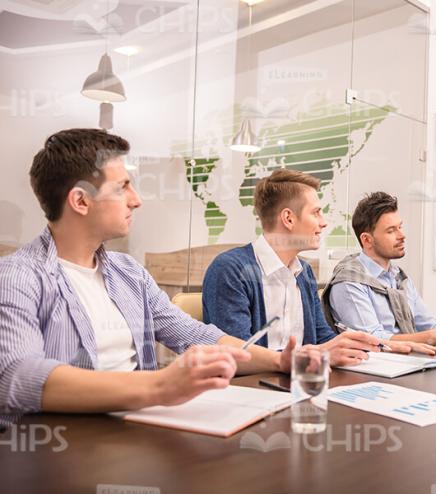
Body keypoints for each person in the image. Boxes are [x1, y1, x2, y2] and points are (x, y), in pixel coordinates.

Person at [0, 129, 294, 426]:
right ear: (81, 201)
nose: (136, 200)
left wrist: (280, 361)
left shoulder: (128, 272)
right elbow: (17, 375)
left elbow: (194, 335)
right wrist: (160, 386)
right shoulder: (17, 277)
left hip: (137, 429)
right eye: (122, 187)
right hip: (61, 446)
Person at [203, 170, 436, 363]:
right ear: (288, 218)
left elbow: (323, 338)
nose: (324, 222)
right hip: (253, 396)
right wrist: (316, 354)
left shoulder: (303, 272)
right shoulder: (230, 270)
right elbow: (237, 357)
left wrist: (385, 345)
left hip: (302, 385)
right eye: (316, 213)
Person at [323, 192, 436, 345]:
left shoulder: (398, 277)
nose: (402, 235)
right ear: (367, 240)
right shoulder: (348, 282)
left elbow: (429, 325)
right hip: (374, 371)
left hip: (406, 363)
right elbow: (373, 340)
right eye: (391, 231)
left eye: (400, 227)